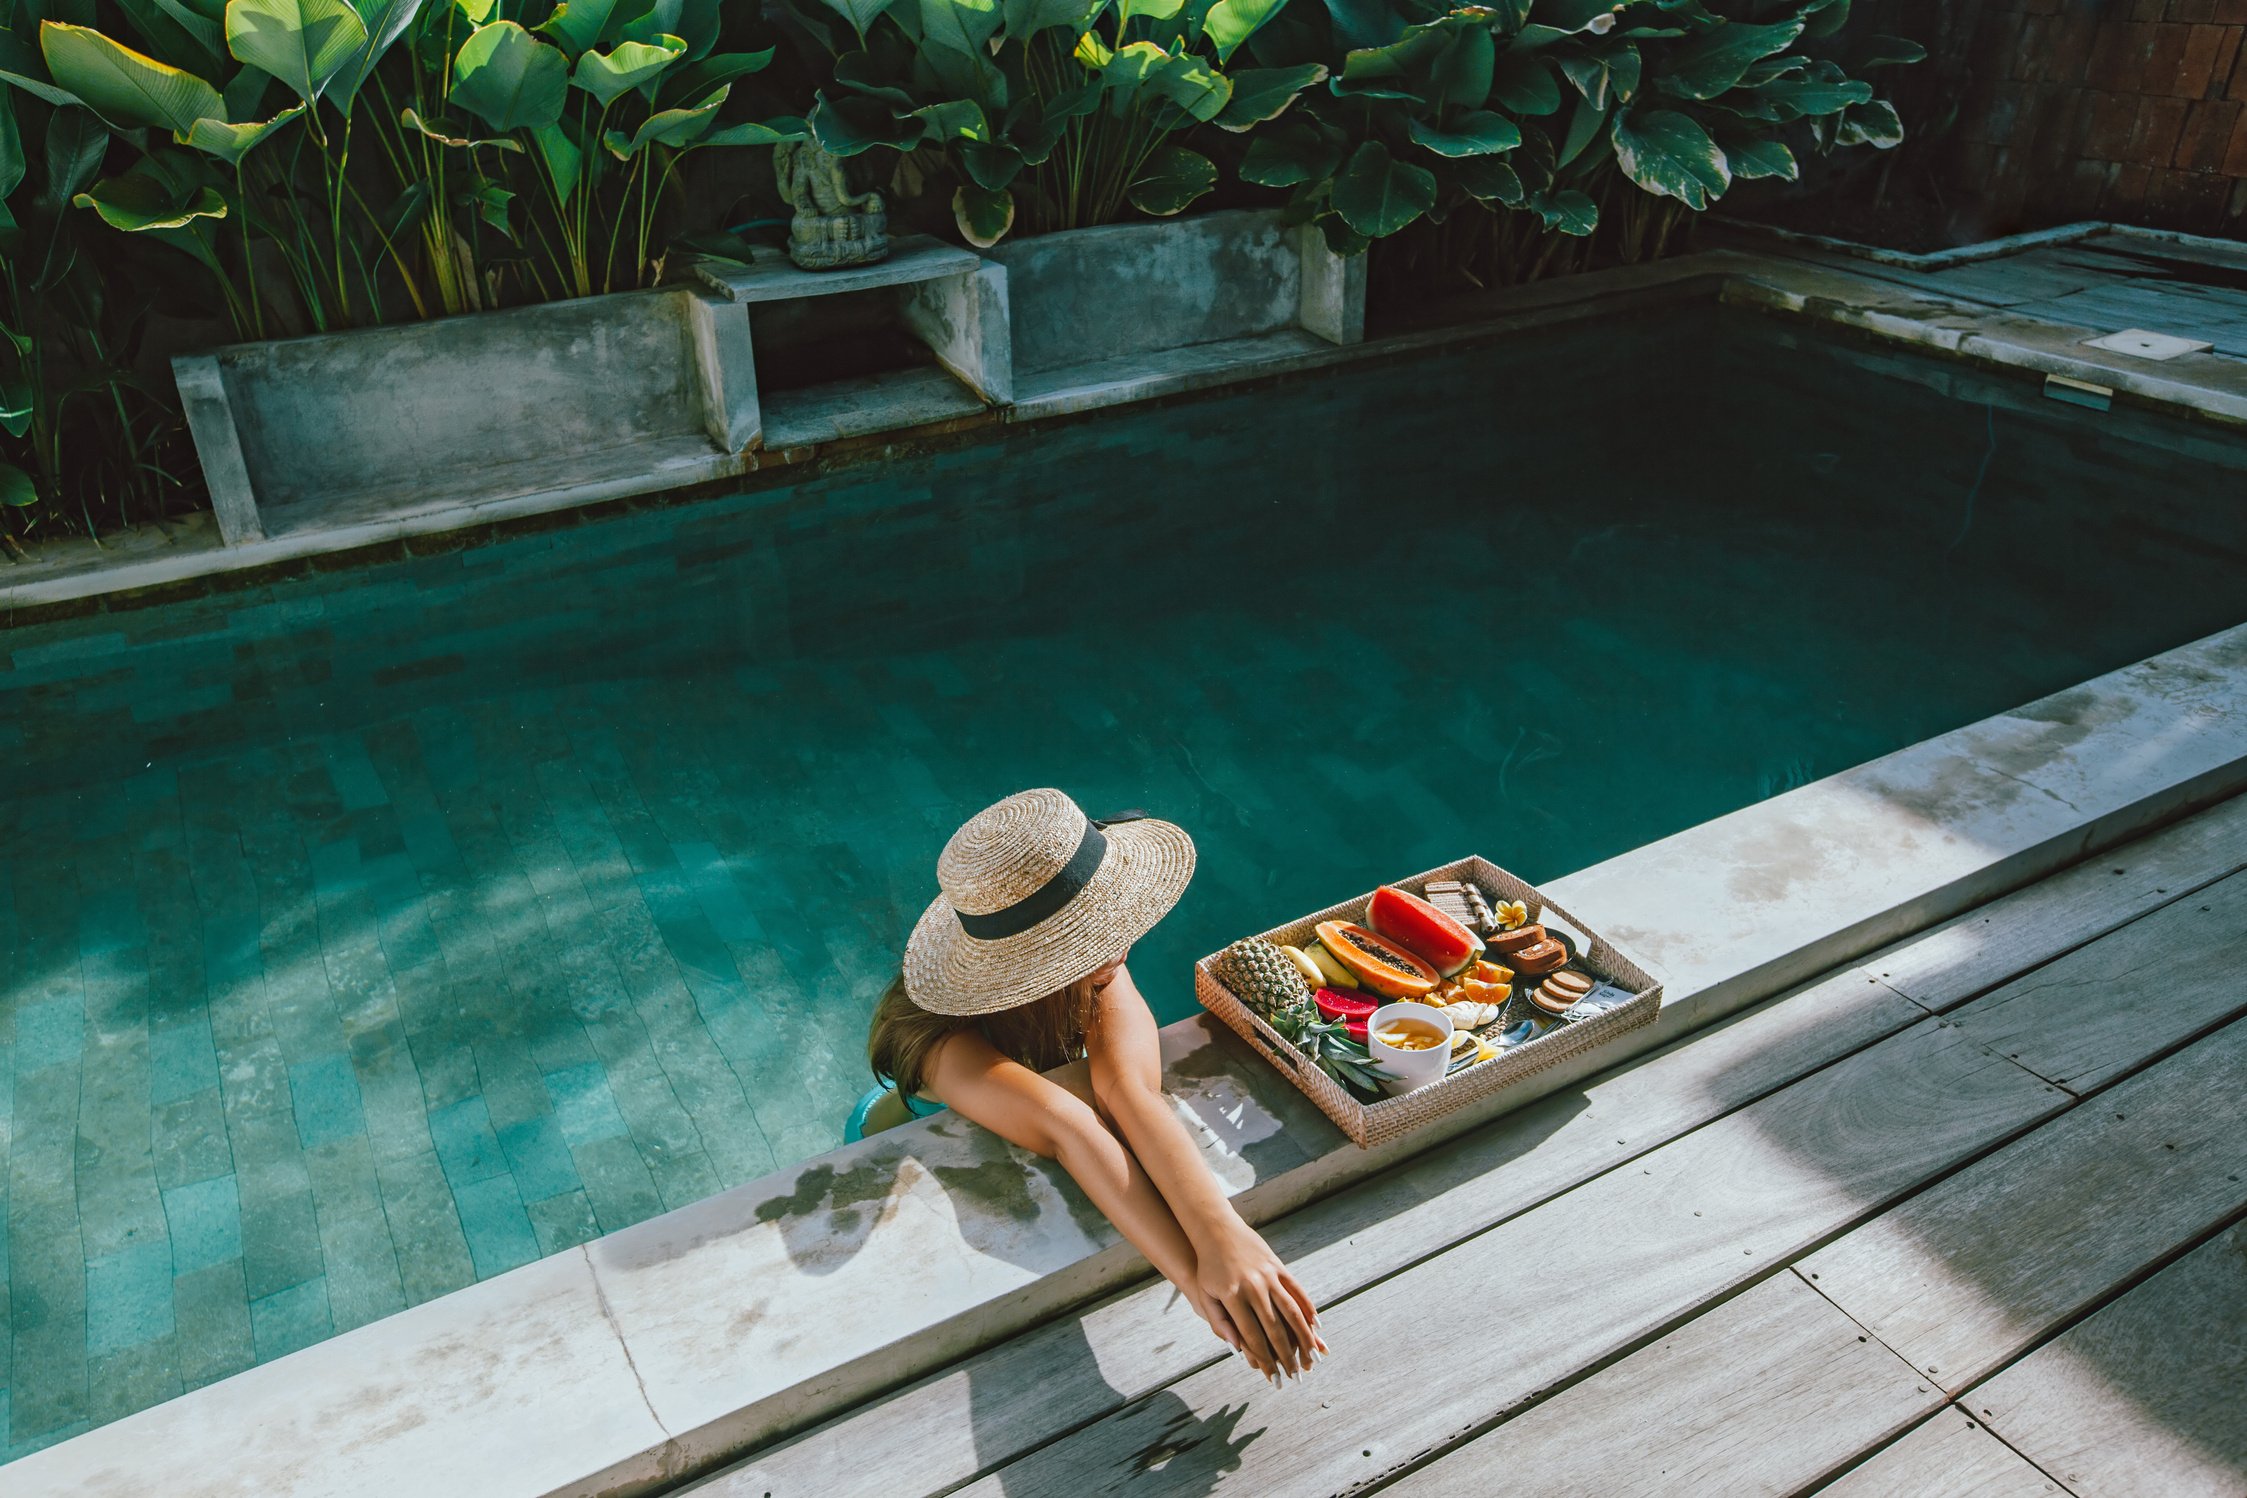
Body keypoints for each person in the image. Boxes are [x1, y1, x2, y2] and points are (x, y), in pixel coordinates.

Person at [861, 788, 1325, 1384]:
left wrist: (1227, 1236)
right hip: (907, 1127)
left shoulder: (1093, 968)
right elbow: (1068, 1125)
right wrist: (1195, 1278)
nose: (1119, 935)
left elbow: (1127, 1091)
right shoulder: (934, 1041)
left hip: (1035, 1107)